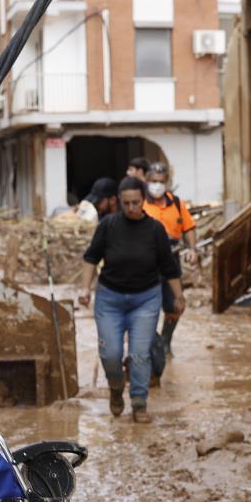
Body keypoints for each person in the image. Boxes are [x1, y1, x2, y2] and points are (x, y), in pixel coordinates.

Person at [77, 177, 181, 424]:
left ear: (143, 201)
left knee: (139, 354)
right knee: (110, 352)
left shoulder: (155, 229)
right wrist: (84, 289)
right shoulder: (109, 226)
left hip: (145, 299)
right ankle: (115, 388)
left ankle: (139, 402)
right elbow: (91, 258)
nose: (132, 208)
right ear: (120, 203)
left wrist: (179, 296)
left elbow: (169, 267)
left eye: (136, 202)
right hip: (110, 300)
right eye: (127, 203)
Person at [141, 163, 194, 384]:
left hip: (170, 258)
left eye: (161, 181)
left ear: (167, 182)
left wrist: (192, 248)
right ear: (147, 180)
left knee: (174, 305)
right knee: (146, 304)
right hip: (146, 260)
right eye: (153, 181)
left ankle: (165, 340)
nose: (157, 185)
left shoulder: (177, 203)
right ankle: (149, 345)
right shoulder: (140, 203)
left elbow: (189, 228)